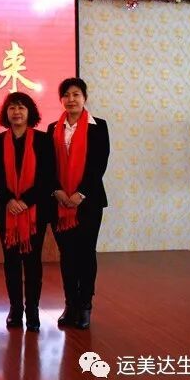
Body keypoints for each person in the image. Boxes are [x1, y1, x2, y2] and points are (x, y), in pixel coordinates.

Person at [0, 92, 55, 332]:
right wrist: (9, 199)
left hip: (35, 210)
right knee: (11, 262)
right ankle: (15, 309)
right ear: (6, 113)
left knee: (33, 261)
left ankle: (33, 309)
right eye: (12, 108)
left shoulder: (43, 140)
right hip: (6, 210)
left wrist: (26, 201)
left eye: (21, 108)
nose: (16, 112)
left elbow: (48, 176)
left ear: (30, 113)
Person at [47, 77, 110, 330]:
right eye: (66, 95)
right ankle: (70, 304)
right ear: (61, 99)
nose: (71, 99)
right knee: (67, 255)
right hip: (59, 202)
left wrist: (80, 193)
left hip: (89, 202)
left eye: (76, 94)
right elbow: (49, 165)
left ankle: (85, 305)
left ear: (85, 98)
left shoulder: (99, 126)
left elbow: (99, 164)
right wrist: (58, 191)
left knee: (86, 253)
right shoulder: (53, 127)